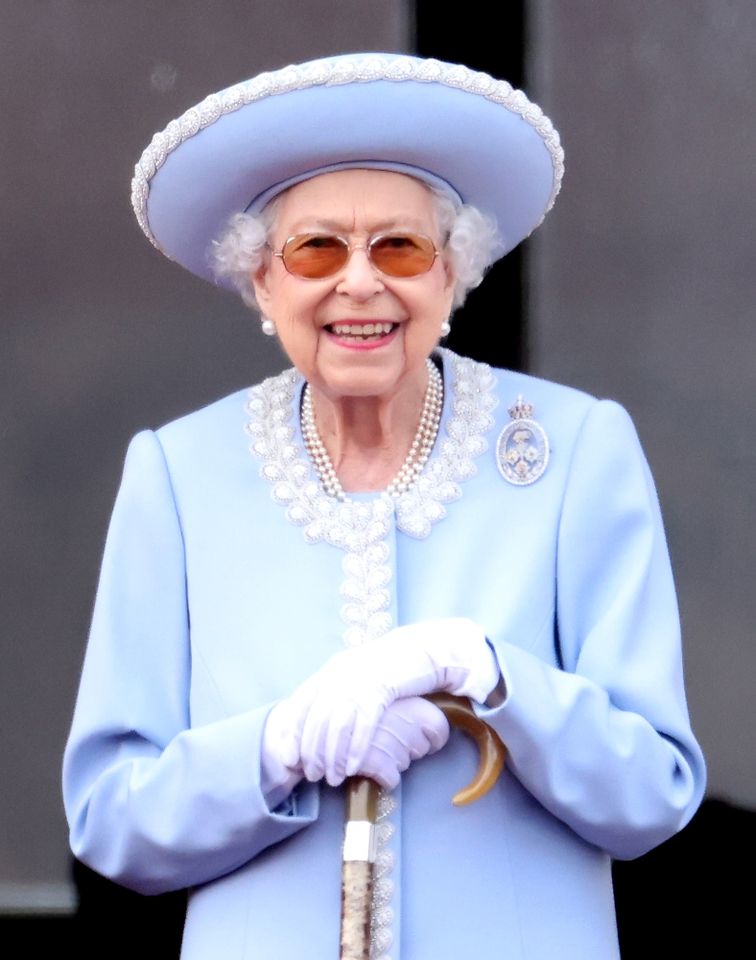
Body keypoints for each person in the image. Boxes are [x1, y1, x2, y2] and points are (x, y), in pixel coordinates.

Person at [63, 52, 705, 959]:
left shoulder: (576, 452)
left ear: (453, 276)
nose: (359, 284)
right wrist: (276, 746)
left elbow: (653, 797)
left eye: (401, 248)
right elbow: (109, 819)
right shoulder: (177, 473)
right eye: (315, 248)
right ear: (263, 283)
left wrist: (486, 671)